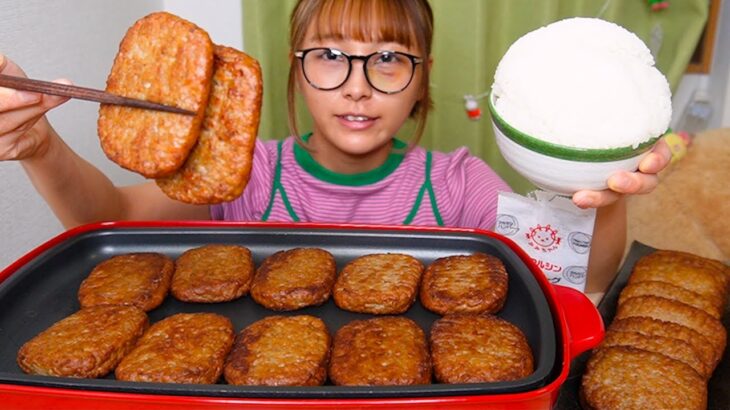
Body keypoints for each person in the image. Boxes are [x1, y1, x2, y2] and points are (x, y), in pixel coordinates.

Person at [0, 0, 670, 293]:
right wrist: (41, 147)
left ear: (419, 84)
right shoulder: (248, 176)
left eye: (387, 60)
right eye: (329, 57)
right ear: (296, 72)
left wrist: (608, 194)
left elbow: (575, 278)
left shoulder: (459, 186)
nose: (357, 88)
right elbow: (105, 221)